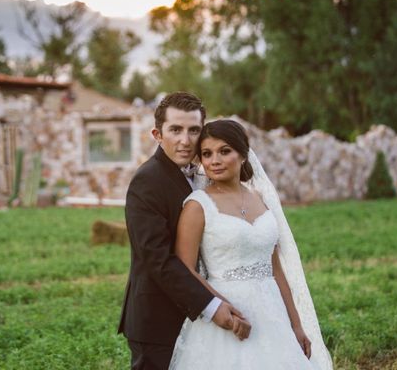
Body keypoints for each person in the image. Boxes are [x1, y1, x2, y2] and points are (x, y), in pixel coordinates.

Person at [169, 119, 333, 369]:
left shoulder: (260, 198)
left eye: (225, 151)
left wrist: (296, 325)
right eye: (207, 154)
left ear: (243, 154)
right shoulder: (197, 205)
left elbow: (276, 269)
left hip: (272, 312)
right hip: (228, 313)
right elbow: (185, 269)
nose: (215, 160)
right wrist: (221, 309)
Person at [118, 93, 251, 370]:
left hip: (200, 312)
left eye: (194, 130)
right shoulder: (147, 181)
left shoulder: (206, 174)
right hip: (158, 319)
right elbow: (159, 259)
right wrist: (211, 306)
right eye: (175, 130)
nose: (185, 140)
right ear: (157, 134)